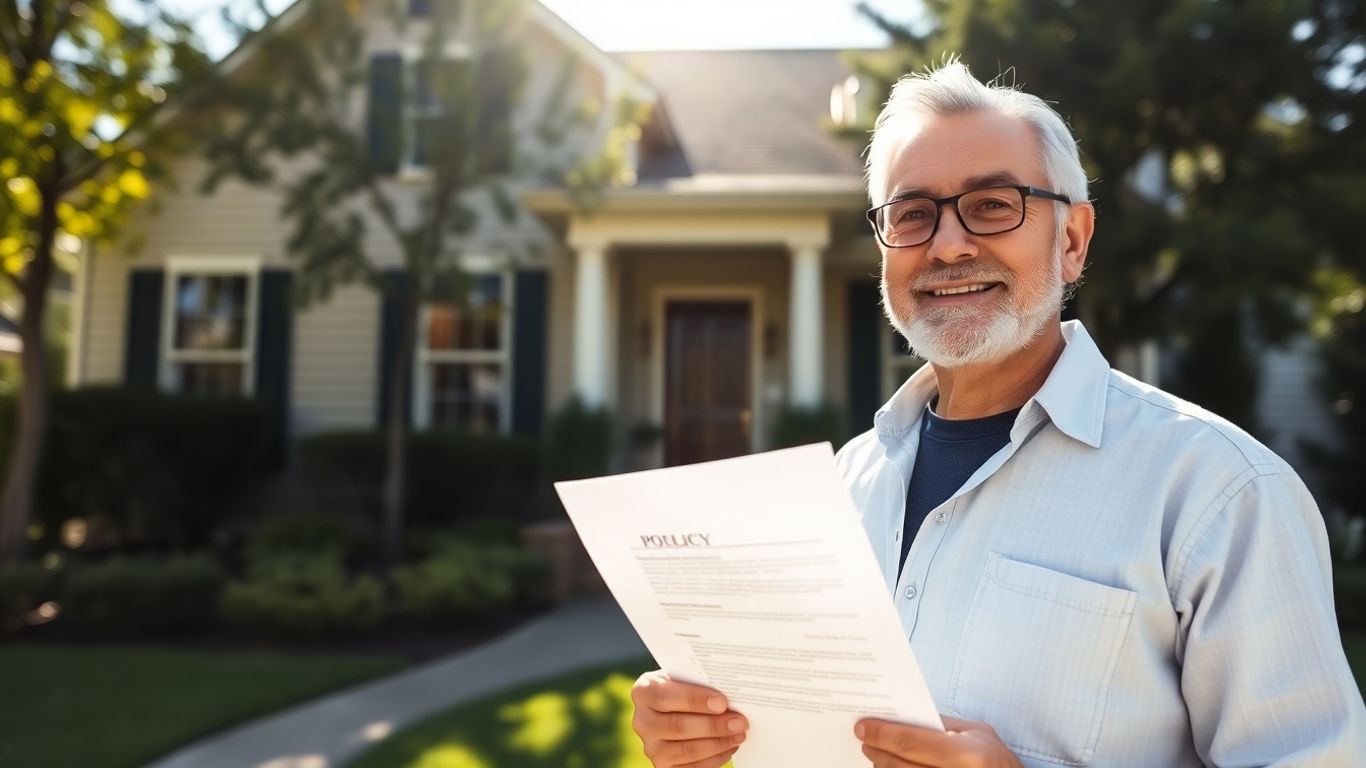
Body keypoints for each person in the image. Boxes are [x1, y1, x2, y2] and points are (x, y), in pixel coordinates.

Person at [628, 59, 1366, 767]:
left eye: (991, 205)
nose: (947, 246)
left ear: (1071, 240)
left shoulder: (1218, 493)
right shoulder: (844, 485)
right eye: (912, 214)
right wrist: (701, 735)